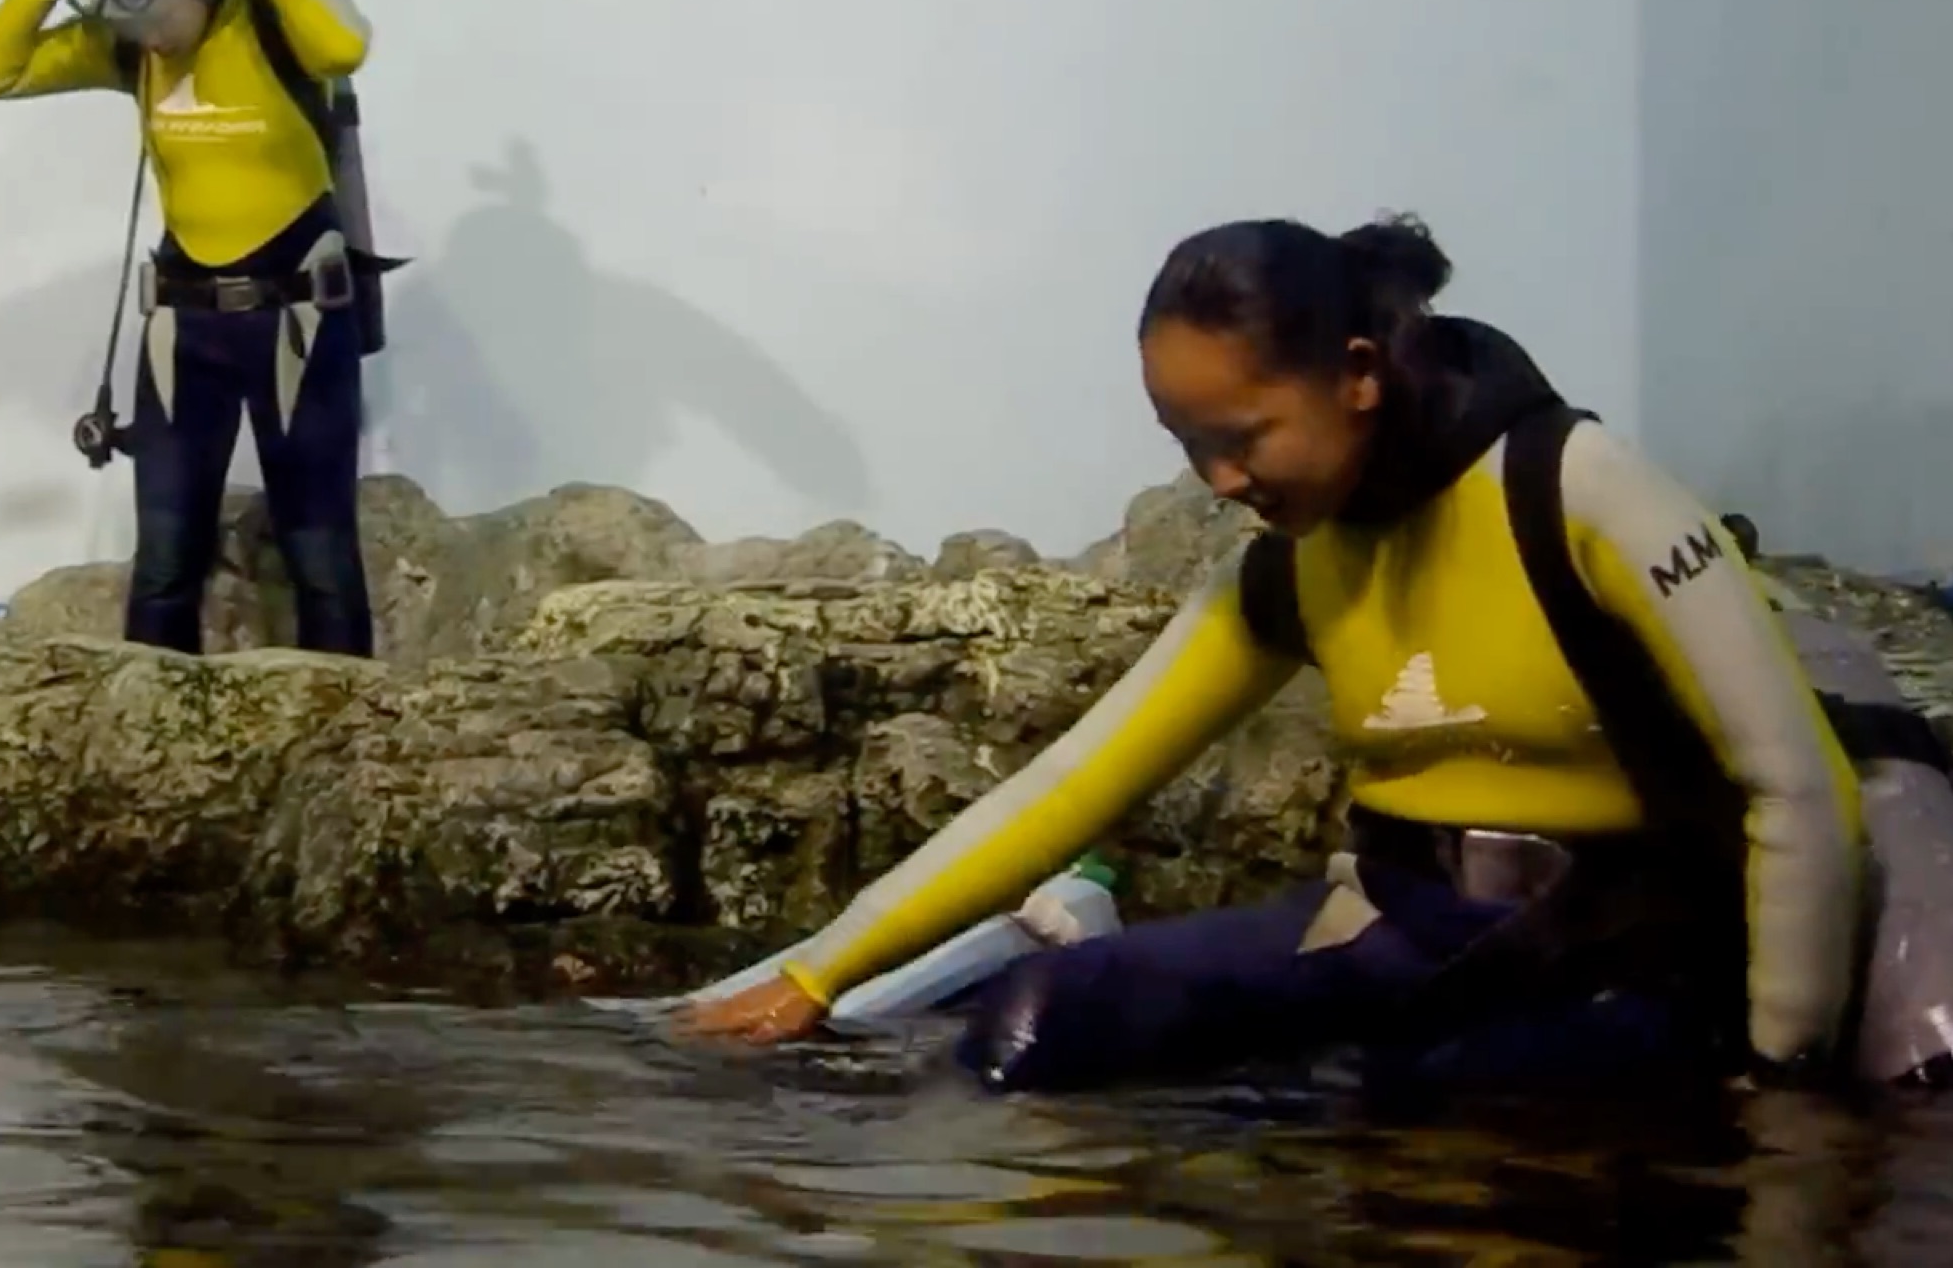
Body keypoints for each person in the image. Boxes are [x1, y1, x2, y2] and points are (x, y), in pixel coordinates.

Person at [683, 212, 1867, 1098]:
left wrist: (1783, 1090)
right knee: (1033, 1022)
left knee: (1408, 1106)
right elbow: (1070, 783)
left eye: (1241, 438)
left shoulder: (1579, 494)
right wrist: (818, 977)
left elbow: (1800, 794)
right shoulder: (1288, 564)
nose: (1220, 483)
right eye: (1187, 444)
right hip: (1402, 938)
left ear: (1357, 374)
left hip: (1619, 959)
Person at [0, 0, 379, 658]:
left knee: (319, 550)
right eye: (123, 16)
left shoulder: (269, 26)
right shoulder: (129, 47)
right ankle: (145, 732)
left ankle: (344, 744)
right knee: (163, 559)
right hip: (184, 329)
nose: (146, 34)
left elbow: (345, 46)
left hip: (299, 322)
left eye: (154, 10)